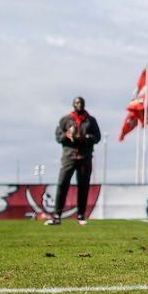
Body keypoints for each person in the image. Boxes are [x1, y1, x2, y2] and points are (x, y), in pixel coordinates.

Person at [46, 96, 101, 226]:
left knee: (83, 187)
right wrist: (67, 135)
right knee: (62, 184)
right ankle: (57, 215)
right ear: (73, 104)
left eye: (81, 102)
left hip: (85, 158)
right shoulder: (65, 120)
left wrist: (86, 138)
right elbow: (59, 137)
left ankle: (81, 216)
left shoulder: (90, 120)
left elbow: (97, 137)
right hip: (69, 157)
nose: (79, 104)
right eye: (77, 102)